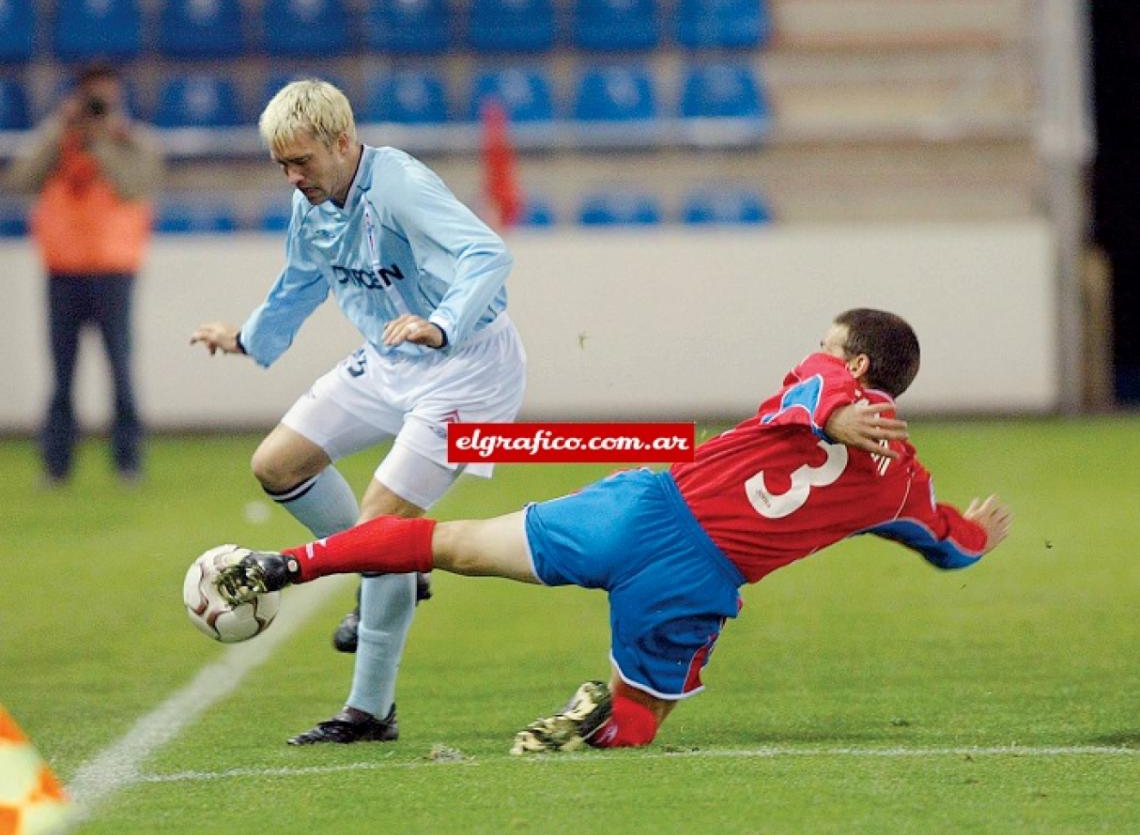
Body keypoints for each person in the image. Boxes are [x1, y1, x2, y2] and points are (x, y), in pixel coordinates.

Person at [214, 308, 1013, 753]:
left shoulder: (823, 380)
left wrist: (834, 409)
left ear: (861, 367)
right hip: (695, 582)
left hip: (639, 511)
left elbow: (817, 390)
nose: (816, 350)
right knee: (640, 724)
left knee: (446, 543)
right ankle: (601, 707)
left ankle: (289, 562)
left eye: (829, 341)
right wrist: (975, 534)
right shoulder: (904, 480)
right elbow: (947, 544)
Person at [190, 80, 526, 745]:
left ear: (342, 141)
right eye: (281, 164)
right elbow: (299, 280)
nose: (292, 176)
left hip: (468, 366)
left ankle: (369, 711)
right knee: (277, 464)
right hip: (389, 358)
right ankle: (394, 560)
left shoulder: (398, 183)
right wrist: (250, 338)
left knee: (378, 526)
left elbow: (489, 253)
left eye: (301, 161)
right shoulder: (309, 204)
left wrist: (441, 323)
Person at [6, 64, 163, 484]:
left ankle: (127, 463)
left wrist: (103, 142)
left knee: (120, 369)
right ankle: (56, 466)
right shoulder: (59, 140)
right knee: (61, 374)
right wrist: (61, 131)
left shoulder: (130, 142)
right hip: (64, 270)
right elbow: (21, 179)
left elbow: (136, 185)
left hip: (113, 270)